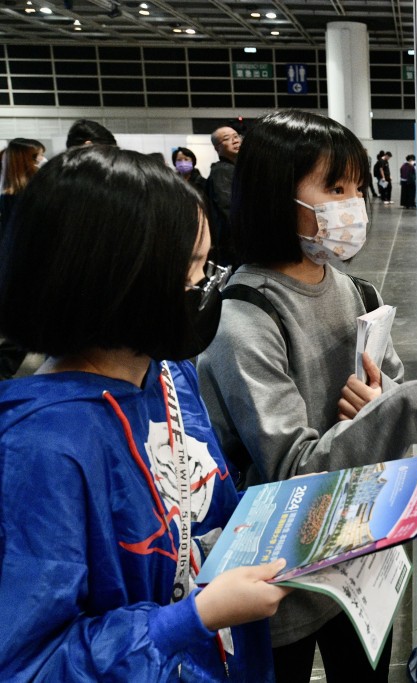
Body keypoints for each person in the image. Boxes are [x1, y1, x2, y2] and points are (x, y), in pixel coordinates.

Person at [197, 109, 417, 682]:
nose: (354, 205)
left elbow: (388, 386)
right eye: (334, 188)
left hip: (358, 564)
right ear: (277, 194)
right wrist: (402, 408)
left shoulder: (351, 287)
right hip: (281, 589)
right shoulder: (243, 318)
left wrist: (385, 405)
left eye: (356, 188)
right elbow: (293, 472)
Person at [0, 145, 289, 681]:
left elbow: (204, 508)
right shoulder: (39, 452)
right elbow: (30, 664)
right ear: (125, 283)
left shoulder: (162, 372)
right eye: (196, 269)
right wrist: (192, 619)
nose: (210, 287)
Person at [0, 138, 46, 380]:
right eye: (36, 157)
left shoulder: (9, 196)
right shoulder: (23, 198)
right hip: (24, 271)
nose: (41, 162)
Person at [207, 125, 242, 265]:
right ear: (217, 148)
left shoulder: (235, 169)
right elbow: (228, 208)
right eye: (227, 139)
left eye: (236, 136)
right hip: (233, 243)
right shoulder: (221, 171)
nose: (235, 141)